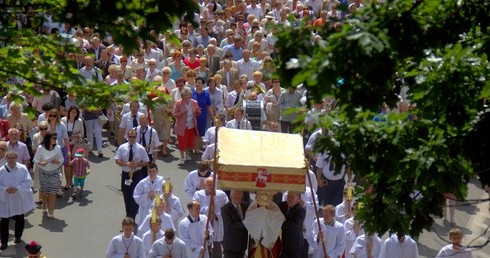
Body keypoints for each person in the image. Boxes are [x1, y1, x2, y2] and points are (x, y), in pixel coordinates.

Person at [0, 151, 35, 250]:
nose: (11, 160)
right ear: (6, 159)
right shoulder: (1, 170)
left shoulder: (22, 168)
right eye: (9, 158)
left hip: (18, 197)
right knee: (4, 220)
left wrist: (17, 188)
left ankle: (18, 236)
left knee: (20, 217)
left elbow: (28, 181)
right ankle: (4, 241)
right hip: (6, 198)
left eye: (13, 158)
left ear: (16, 158)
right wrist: (5, 189)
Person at [114, 129, 150, 219]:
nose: (132, 139)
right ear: (127, 136)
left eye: (134, 137)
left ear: (136, 137)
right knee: (126, 194)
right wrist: (127, 164)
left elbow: (146, 161)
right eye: (130, 137)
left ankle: (131, 216)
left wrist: (137, 164)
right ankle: (129, 213)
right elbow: (117, 160)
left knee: (135, 195)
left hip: (137, 174)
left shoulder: (140, 148)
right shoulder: (122, 147)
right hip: (126, 174)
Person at [192, 177, 229, 258]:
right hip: (204, 225)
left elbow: (227, 210)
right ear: (205, 185)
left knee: (217, 250)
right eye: (208, 184)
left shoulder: (221, 195)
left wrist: (216, 215)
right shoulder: (198, 195)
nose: (210, 186)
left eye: (212, 184)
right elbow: (194, 210)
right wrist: (207, 212)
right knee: (204, 249)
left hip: (217, 224)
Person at [243, 191, 285, 258]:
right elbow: (249, 220)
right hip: (256, 238)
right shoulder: (253, 205)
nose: (264, 199)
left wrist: (268, 215)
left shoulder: (273, 206)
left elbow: (279, 219)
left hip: (270, 236)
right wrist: (260, 216)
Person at [33, 131, 64, 219]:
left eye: (56, 138)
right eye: (54, 138)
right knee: (44, 192)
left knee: (52, 193)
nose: (55, 140)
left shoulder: (57, 147)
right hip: (43, 173)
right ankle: (44, 206)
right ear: (48, 139)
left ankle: (51, 211)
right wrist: (41, 163)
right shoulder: (40, 148)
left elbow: (61, 159)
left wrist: (57, 161)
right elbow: (35, 160)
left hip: (54, 172)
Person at [172, 87, 200, 164]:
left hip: (191, 125)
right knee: (182, 142)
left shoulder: (194, 102)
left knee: (189, 141)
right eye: (184, 95)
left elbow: (197, 113)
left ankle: (187, 154)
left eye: (187, 95)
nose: (186, 97)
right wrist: (182, 112)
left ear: (190, 95)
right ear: (182, 96)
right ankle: (182, 157)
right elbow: (174, 114)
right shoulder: (178, 103)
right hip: (181, 126)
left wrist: (197, 112)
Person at [60, 106, 84, 190]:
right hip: (65, 144)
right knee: (66, 163)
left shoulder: (79, 121)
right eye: (72, 112)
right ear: (69, 112)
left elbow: (82, 133)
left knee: (73, 163)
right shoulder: (62, 120)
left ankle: (71, 180)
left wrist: (75, 135)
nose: (73, 114)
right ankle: (67, 182)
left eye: (75, 112)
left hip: (75, 144)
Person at [221, 190, 249, 258]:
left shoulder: (246, 206)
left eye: (239, 198)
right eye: (235, 197)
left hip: (242, 244)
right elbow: (229, 226)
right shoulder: (225, 208)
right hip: (231, 245)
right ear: (230, 197)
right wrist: (245, 223)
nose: (237, 199)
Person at [278, 191, 306, 258]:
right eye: (288, 197)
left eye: (292, 197)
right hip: (283, 243)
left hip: (294, 245)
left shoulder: (300, 210)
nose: (289, 199)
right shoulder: (282, 205)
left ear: (298, 199)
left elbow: (293, 225)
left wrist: (277, 223)